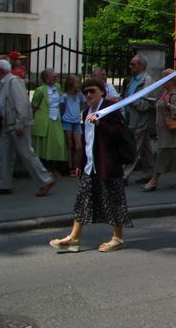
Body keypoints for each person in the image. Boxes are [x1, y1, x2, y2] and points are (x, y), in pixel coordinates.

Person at [49, 78, 132, 253]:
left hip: (108, 164)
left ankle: (117, 237)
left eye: (92, 91)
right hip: (91, 165)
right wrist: (82, 163)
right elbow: (88, 141)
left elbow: (118, 133)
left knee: (113, 200)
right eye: (85, 92)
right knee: (83, 201)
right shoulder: (87, 110)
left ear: (102, 91)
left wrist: (100, 123)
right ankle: (75, 237)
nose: (88, 94)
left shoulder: (109, 109)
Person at [0, 59, 55, 196]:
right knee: (3, 154)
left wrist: (20, 124)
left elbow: (22, 104)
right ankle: (4, 185)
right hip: (7, 123)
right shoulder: (3, 83)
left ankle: (45, 180)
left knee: (26, 153)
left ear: (0, 70)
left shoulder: (13, 82)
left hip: (16, 123)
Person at [142, 70, 176, 191]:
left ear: (171, 81)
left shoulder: (175, 94)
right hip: (166, 131)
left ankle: (154, 181)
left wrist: (168, 105)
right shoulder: (166, 93)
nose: (161, 81)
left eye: (164, 78)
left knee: (162, 155)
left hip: (170, 132)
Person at [122, 54, 157, 184]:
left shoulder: (147, 80)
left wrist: (133, 102)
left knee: (134, 147)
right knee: (145, 147)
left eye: (133, 64)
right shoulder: (133, 80)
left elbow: (150, 102)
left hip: (141, 119)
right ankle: (150, 173)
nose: (130, 66)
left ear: (141, 66)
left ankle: (124, 175)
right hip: (132, 118)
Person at [31, 68, 67, 173]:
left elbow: (61, 101)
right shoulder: (40, 90)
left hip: (57, 118)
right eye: (54, 76)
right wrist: (32, 120)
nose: (56, 77)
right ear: (46, 79)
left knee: (58, 142)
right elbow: (34, 106)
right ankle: (46, 168)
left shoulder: (58, 86)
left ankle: (54, 167)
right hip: (45, 119)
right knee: (45, 144)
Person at [60, 75, 85, 177]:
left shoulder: (80, 95)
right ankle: (70, 167)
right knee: (69, 145)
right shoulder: (65, 96)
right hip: (67, 121)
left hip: (76, 121)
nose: (78, 84)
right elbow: (62, 108)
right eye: (77, 82)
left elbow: (81, 106)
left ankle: (77, 166)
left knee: (79, 146)